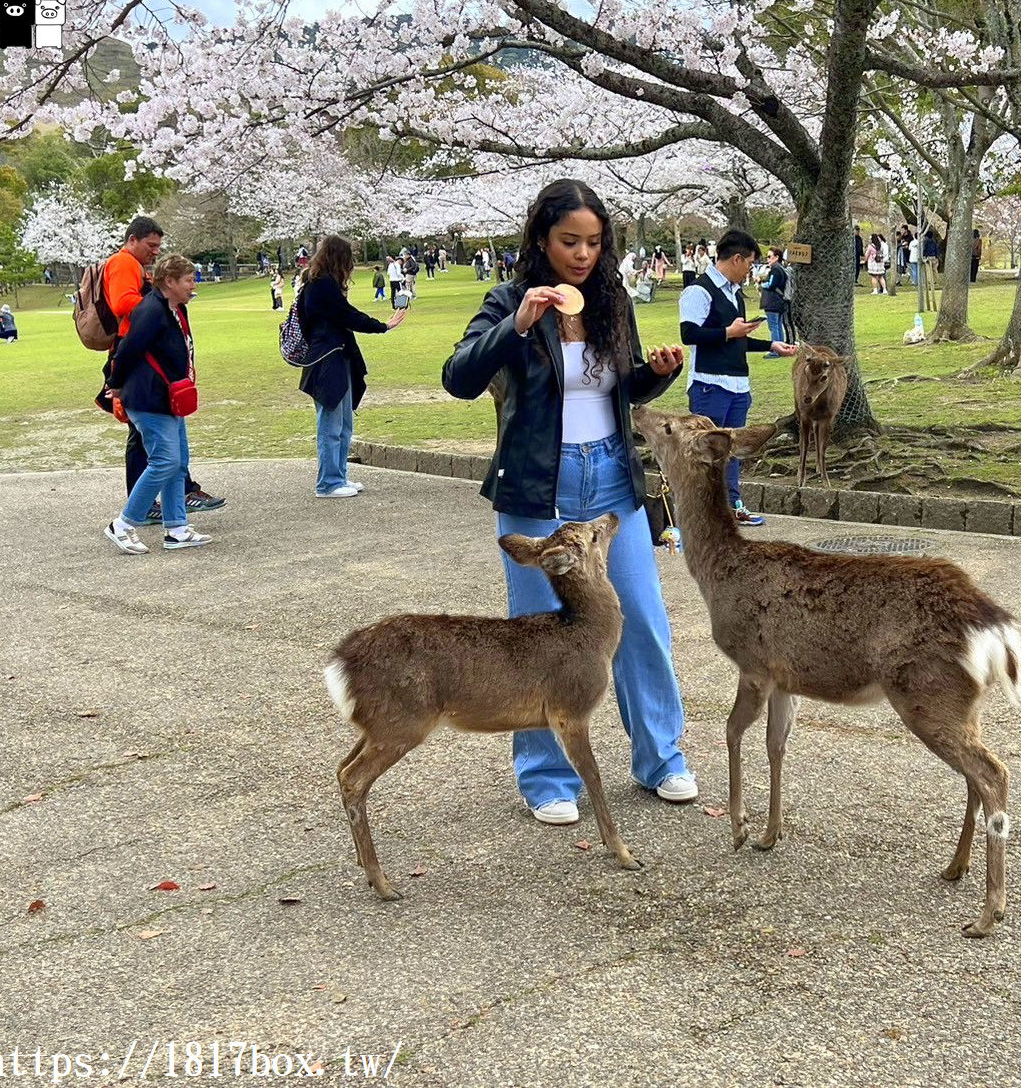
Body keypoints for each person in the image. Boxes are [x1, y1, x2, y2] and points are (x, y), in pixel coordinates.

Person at [442, 177, 694, 825]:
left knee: (639, 617)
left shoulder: (612, 302)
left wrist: (656, 373)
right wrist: (517, 325)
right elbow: (459, 378)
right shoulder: (507, 301)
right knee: (538, 637)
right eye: (567, 241)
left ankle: (660, 757)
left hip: (611, 480)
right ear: (541, 239)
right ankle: (547, 775)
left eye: (592, 242)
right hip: (538, 488)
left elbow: (621, 388)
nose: (581, 254)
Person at [100, 215, 225, 523]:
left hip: (150, 365)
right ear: (132, 240)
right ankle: (135, 513)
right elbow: (122, 304)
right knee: (155, 447)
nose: (154, 252)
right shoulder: (124, 265)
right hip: (142, 369)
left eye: (158, 247)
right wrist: (157, 301)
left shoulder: (147, 284)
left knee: (166, 448)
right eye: (150, 245)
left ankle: (176, 520)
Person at [679, 229, 797, 527]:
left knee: (732, 449)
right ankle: (700, 512)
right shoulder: (699, 290)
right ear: (735, 259)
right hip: (710, 384)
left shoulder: (735, 293)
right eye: (749, 264)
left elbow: (738, 340)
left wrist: (770, 344)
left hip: (737, 385)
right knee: (707, 450)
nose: (750, 271)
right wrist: (728, 332)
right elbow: (689, 334)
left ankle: (732, 506)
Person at [297, 235, 407, 498]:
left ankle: (339, 475)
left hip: (338, 356)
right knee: (331, 422)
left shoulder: (322, 285)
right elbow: (347, 315)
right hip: (327, 360)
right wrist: (383, 326)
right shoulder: (321, 285)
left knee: (344, 422)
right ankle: (328, 483)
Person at [759, 247, 789, 357]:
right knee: (778, 325)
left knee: (773, 327)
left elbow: (771, 285)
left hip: (772, 301)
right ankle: (782, 349)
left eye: (769, 256)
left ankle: (776, 351)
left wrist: (761, 284)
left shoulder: (775, 269)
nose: (767, 259)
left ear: (777, 257)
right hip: (779, 301)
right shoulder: (781, 268)